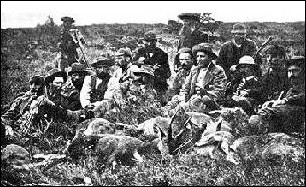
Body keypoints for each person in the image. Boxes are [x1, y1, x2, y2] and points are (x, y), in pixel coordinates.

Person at [249, 56, 305, 135]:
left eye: (295, 71)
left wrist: (284, 101)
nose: (292, 75)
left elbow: (301, 97)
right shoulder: (290, 89)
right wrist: (273, 102)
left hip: (299, 117)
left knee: (265, 115)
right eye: (289, 71)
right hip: (287, 117)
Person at [166, 43, 227, 114]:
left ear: (210, 57)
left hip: (209, 102)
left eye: (202, 56)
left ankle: (174, 113)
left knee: (196, 100)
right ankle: (169, 111)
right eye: (197, 56)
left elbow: (219, 93)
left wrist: (204, 92)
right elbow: (188, 88)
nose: (198, 59)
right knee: (176, 99)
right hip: (192, 101)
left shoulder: (217, 71)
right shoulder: (195, 70)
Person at [133, 31, 171, 106]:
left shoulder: (162, 54)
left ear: (155, 42)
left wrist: (158, 70)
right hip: (142, 83)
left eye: (152, 41)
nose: (150, 44)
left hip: (158, 85)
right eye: (147, 41)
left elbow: (168, 73)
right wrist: (140, 63)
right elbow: (132, 64)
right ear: (143, 41)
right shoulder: (140, 52)